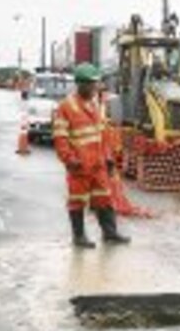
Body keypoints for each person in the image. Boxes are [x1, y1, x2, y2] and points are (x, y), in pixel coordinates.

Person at [52, 63, 130, 248]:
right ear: (81, 84)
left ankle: (109, 233)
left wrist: (108, 156)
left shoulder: (95, 104)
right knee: (77, 201)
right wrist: (70, 160)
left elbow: (102, 133)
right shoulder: (66, 107)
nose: (96, 87)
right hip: (80, 165)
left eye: (96, 83)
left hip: (98, 163)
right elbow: (60, 138)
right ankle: (79, 237)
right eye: (92, 84)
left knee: (104, 197)